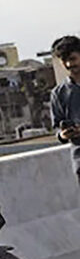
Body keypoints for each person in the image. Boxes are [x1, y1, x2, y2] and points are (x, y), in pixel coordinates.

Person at [50, 35, 80, 185]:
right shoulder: (59, 93)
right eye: (64, 61)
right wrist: (63, 134)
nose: (69, 64)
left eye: (73, 59)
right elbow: (57, 128)